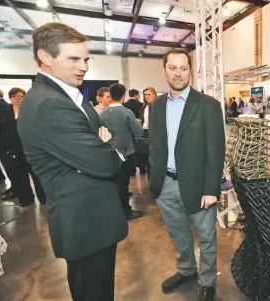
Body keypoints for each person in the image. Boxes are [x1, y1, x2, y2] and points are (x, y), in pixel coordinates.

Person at [16, 22, 128, 301]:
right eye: (74, 59)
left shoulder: (63, 96)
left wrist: (103, 146)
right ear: (45, 57)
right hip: (85, 224)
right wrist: (106, 146)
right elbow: (106, 162)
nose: (84, 66)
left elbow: (105, 143)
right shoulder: (48, 104)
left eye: (86, 59)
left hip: (92, 221)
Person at [149, 48, 225, 301]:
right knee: (178, 233)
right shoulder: (155, 106)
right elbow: (155, 144)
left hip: (197, 186)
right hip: (165, 185)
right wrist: (154, 180)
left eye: (183, 68)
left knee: (205, 236)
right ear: (165, 70)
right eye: (173, 67)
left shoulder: (208, 106)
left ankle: (207, 280)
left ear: (191, 71)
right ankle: (186, 270)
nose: (178, 73)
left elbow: (216, 150)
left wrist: (211, 189)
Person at [100, 83, 144, 220]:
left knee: (114, 184)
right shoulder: (126, 112)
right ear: (123, 96)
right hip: (125, 153)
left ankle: (115, 210)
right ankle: (126, 212)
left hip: (108, 153)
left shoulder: (103, 113)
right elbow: (139, 131)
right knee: (123, 185)